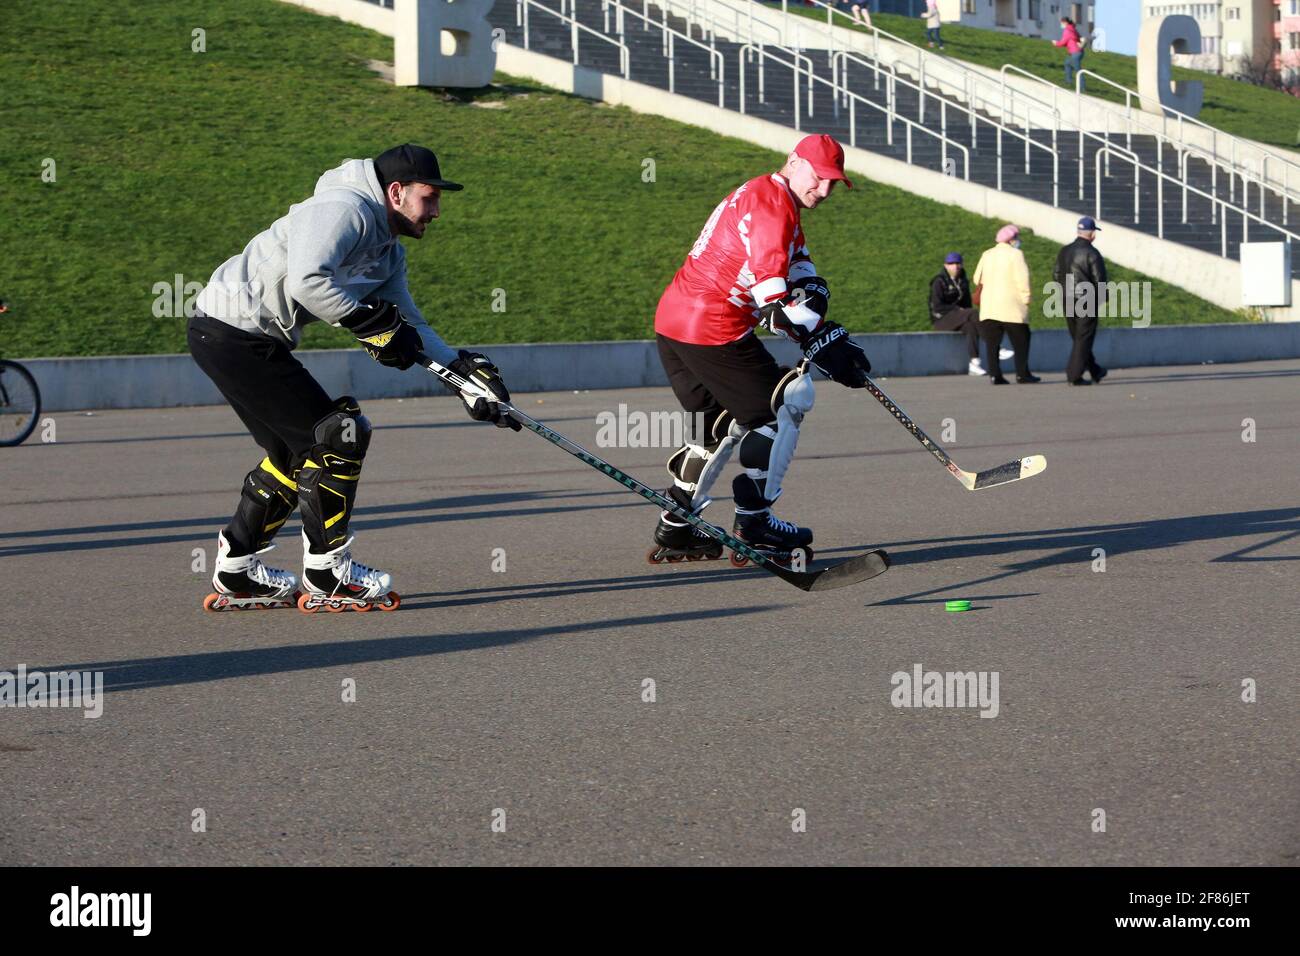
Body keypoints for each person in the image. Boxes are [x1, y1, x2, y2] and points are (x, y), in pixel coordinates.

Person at [189, 144, 517, 613]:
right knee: (340, 435)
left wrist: (464, 377)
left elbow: (412, 326)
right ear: (398, 192)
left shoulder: (387, 251)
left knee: (293, 452)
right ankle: (326, 572)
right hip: (231, 331)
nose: (437, 211)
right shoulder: (344, 208)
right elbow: (308, 280)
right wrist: (368, 322)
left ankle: (236, 569)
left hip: (241, 336)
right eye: (431, 198)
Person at [650, 134, 871, 564]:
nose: (824, 191)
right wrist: (824, 340)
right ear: (794, 162)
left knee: (713, 429)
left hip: (674, 323)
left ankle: (676, 527)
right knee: (784, 405)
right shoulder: (774, 209)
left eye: (834, 183)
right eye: (820, 178)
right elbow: (777, 309)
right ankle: (755, 521)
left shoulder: (764, 192)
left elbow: (798, 265)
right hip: (714, 329)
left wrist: (814, 292)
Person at [972, 224, 1039, 385]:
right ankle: (1022, 374)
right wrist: (1026, 298)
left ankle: (995, 375)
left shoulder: (987, 254)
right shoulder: (1016, 254)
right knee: (1022, 341)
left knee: (992, 343)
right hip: (1012, 306)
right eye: (1017, 238)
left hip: (989, 307)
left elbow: (976, 278)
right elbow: (1022, 279)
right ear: (1011, 239)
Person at [1054, 215, 1109, 386]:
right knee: (1083, 338)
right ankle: (1074, 375)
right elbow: (1100, 279)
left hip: (1067, 298)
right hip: (1086, 300)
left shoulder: (1064, 251)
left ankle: (1095, 370)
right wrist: (1102, 299)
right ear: (1092, 233)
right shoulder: (1092, 253)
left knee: (1079, 337)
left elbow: (1056, 275)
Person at [929, 252, 984, 376]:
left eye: (958, 263)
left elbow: (967, 305)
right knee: (973, 312)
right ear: (946, 265)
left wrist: (962, 313)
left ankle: (974, 363)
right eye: (951, 263)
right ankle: (996, 345)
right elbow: (937, 306)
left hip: (959, 318)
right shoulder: (939, 281)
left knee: (970, 326)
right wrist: (957, 310)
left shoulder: (963, 281)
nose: (955, 266)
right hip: (941, 320)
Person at [1055, 16, 1086, 92]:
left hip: (1076, 52)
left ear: (1065, 23)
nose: (1061, 25)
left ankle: (1082, 87)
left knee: (1078, 70)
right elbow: (1070, 41)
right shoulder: (1073, 29)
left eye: (1061, 23)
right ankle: (1068, 82)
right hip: (1078, 52)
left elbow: (1063, 42)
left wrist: (1056, 43)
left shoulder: (1067, 30)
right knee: (1067, 63)